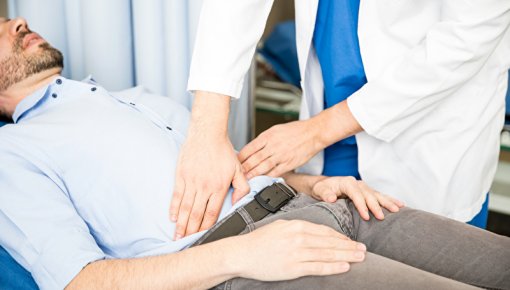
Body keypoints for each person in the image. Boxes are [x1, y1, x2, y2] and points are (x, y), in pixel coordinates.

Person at [1, 17, 510, 290]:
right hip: (250, 259)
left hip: (325, 206)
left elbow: (229, 171)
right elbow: (81, 283)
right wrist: (243, 255)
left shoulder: (133, 99)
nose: (17, 21)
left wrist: (313, 184)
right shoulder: (14, 152)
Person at [174, 0, 510, 238]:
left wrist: (316, 132)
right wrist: (207, 129)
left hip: (429, 123)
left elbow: (470, 32)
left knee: (430, 255)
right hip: (329, 99)